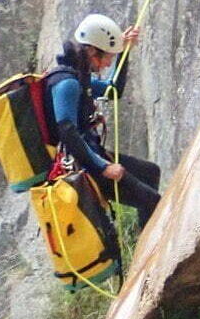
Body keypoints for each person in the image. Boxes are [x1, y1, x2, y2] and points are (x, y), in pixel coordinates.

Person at [44, 14, 161, 229]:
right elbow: (67, 133)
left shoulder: (79, 77)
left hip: (91, 157)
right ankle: (148, 248)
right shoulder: (66, 83)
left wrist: (124, 53)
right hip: (84, 167)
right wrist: (103, 167)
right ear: (91, 51)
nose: (108, 63)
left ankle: (143, 241)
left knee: (150, 173)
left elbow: (112, 90)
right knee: (151, 200)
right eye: (107, 57)